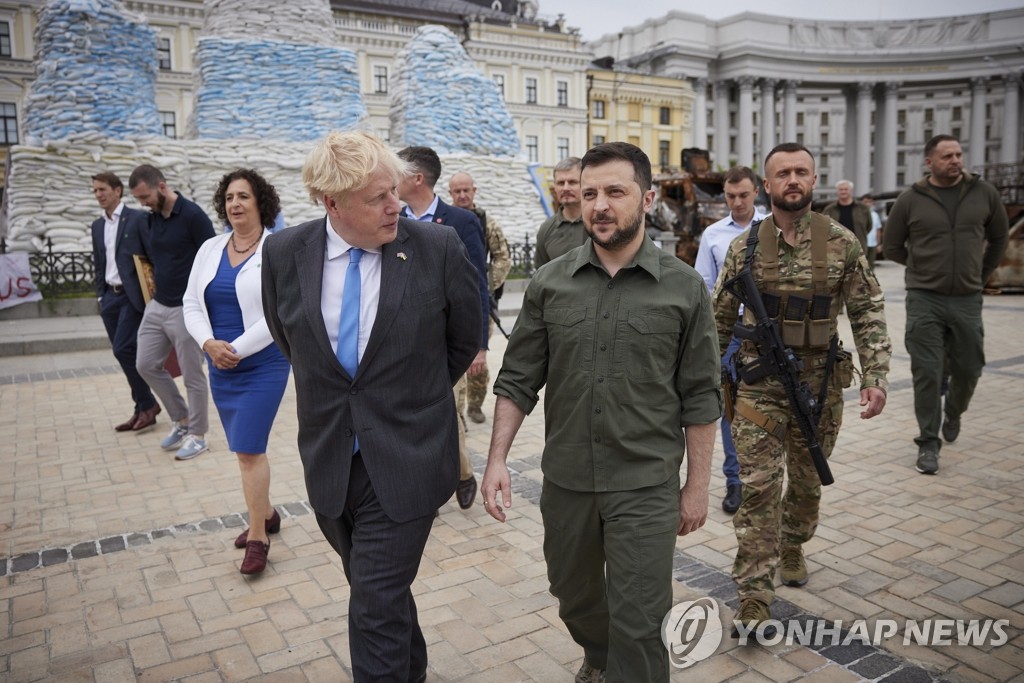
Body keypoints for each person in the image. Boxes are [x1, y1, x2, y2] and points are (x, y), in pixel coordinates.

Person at [482, 142, 721, 683]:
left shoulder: (684, 289)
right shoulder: (550, 283)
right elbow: (518, 379)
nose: (599, 205)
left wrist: (697, 486)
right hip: (567, 480)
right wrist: (496, 459)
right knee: (575, 598)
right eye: (590, 193)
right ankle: (599, 655)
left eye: (615, 191)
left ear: (647, 197)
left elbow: (702, 397)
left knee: (640, 621)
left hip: (645, 483)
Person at [261, 131, 481, 682]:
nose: (396, 206)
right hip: (332, 461)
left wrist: (408, 398)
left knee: (373, 602)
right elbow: (291, 340)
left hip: (409, 455)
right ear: (332, 203)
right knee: (374, 587)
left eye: (396, 191)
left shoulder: (435, 248)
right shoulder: (286, 254)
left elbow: (463, 339)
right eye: (379, 198)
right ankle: (414, 669)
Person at [713, 142, 891, 631]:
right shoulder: (743, 248)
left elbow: (867, 310)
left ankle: (793, 543)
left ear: (813, 181)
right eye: (783, 173)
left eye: (802, 172)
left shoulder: (840, 242)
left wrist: (874, 376)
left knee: (807, 485)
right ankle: (754, 594)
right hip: (758, 388)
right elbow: (719, 321)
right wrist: (702, 379)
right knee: (758, 490)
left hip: (819, 388)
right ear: (766, 186)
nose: (793, 180)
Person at [183, 169, 291, 575]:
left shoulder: (278, 248)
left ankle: (258, 536)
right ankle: (266, 512)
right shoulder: (210, 248)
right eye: (229, 198)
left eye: (243, 196)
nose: (235, 204)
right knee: (242, 448)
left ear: (260, 202)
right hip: (219, 363)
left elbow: (280, 311)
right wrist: (209, 345)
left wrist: (238, 350)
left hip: (263, 362)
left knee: (249, 450)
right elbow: (190, 302)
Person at [882, 134, 1008, 475]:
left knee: (970, 367)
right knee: (926, 371)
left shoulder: (984, 194)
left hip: (967, 297)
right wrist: (921, 267)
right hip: (925, 299)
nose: (955, 160)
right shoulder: (910, 199)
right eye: (947, 156)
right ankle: (927, 443)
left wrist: (980, 275)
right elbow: (891, 246)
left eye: (958, 154)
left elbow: (999, 238)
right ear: (930, 162)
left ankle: (953, 410)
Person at [397, 146, 489, 510]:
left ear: (417, 178)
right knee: (408, 419)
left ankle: (462, 472)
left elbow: (476, 286)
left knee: (446, 412)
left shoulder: (461, 222)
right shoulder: (393, 217)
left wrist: (479, 346)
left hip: (445, 339)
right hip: (401, 339)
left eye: (398, 172)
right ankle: (429, 486)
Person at [693, 166, 767, 514]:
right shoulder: (713, 235)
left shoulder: (772, 228)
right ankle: (735, 481)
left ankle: (764, 479)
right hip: (729, 334)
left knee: (770, 406)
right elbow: (703, 285)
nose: (736, 202)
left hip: (768, 334)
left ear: (756, 193)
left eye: (743, 195)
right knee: (729, 410)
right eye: (730, 196)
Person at [129, 164, 215, 460]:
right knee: (145, 364)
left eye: (145, 196)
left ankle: (198, 435)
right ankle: (181, 419)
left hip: (186, 308)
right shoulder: (152, 218)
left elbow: (211, 258)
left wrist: (204, 306)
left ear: (162, 186)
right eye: (139, 199)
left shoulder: (193, 216)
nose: (143, 203)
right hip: (158, 305)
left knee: (193, 375)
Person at [90, 172, 162, 434]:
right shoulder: (97, 226)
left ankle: (148, 404)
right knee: (123, 352)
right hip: (109, 297)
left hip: (132, 299)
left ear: (117, 191)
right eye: (95, 191)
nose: (98, 194)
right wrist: (100, 295)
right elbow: (99, 263)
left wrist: (155, 295)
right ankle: (142, 407)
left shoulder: (138, 218)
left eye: (102, 189)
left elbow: (152, 257)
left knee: (123, 349)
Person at [448, 170, 512, 425]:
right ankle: (457, 411)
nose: (462, 195)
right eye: (457, 191)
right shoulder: (444, 219)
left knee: (477, 360)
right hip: (450, 299)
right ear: (450, 194)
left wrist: (484, 286)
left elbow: (503, 258)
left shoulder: (487, 222)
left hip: (479, 301)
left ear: (474, 191)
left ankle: (475, 404)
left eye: (467, 190)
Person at [534, 156, 586, 269]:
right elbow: (541, 275)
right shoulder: (546, 229)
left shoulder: (601, 223)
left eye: (572, 182)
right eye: (561, 183)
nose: (565, 188)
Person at [822, 179, 872, 257]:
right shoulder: (829, 209)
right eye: (841, 190)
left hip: (858, 248)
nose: (843, 192)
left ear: (851, 191)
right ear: (837, 192)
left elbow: (869, 226)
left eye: (846, 189)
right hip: (835, 250)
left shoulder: (863, 208)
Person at [860, 193, 883, 269]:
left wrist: (878, 243)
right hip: (861, 243)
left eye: (869, 202)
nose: (867, 204)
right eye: (865, 202)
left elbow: (878, 230)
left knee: (871, 265)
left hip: (872, 244)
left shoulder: (875, 215)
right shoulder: (859, 215)